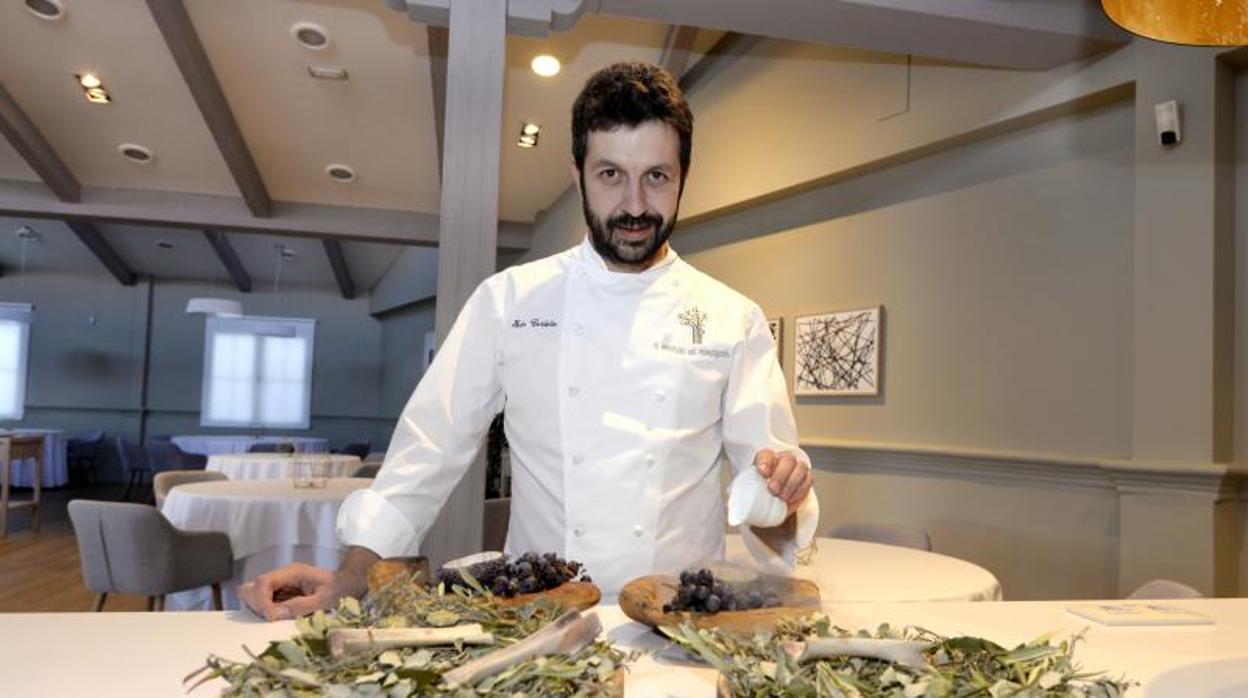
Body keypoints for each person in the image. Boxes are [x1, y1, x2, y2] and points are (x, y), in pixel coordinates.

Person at [240, 61, 818, 621]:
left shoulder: (731, 318)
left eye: (657, 177)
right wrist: (349, 578)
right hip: (539, 617)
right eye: (610, 175)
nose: (635, 205)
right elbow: (429, 448)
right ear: (577, 174)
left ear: (683, 176)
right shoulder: (510, 301)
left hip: (682, 623)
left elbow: (769, 495)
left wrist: (783, 494)